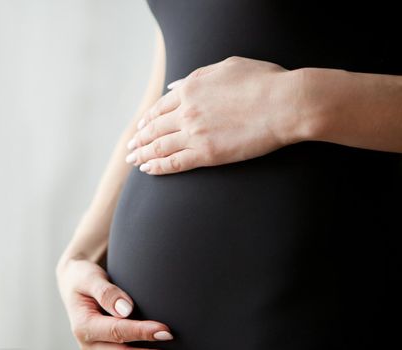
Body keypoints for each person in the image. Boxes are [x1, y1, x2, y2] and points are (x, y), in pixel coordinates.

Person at [56, 1, 402, 349]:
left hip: (319, 298)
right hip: (141, 323)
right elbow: (181, 69)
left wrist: (296, 101)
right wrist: (83, 253)